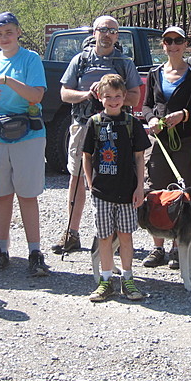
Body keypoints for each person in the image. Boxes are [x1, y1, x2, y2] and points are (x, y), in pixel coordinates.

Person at [53, 15, 142, 255]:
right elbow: (64, 94)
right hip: (83, 125)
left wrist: (110, 94)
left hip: (116, 130)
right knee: (78, 177)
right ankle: (71, 233)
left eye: (112, 31)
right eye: (103, 30)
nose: (107, 34)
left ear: (117, 35)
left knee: (112, 176)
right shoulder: (80, 61)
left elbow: (135, 97)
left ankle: (107, 235)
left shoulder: (124, 63)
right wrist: (86, 95)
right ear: (94, 33)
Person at [0, 12, 50, 276]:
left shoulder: (30, 59)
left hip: (28, 133)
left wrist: (6, 81)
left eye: (8, 32)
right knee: (0, 195)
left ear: (18, 32)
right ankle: (1, 250)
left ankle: (35, 252)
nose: (4, 38)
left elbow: (36, 95)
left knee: (27, 195)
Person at [141, 26, 191, 269]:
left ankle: (179, 247)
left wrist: (184, 115)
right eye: (168, 41)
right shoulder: (155, 73)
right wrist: (151, 120)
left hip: (186, 141)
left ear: (186, 44)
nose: (173, 45)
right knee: (157, 194)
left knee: (185, 194)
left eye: (178, 40)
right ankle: (157, 247)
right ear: (163, 45)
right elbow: (147, 105)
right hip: (160, 143)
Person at [83, 74, 151, 302]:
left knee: (125, 236)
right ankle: (105, 281)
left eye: (118, 96)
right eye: (108, 96)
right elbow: (87, 155)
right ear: (100, 97)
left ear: (125, 98)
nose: (113, 101)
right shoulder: (94, 123)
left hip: (127, 191)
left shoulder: (131, 124)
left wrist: (140, 187)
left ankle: (128, 279)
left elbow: (140, 157)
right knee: (104, 237)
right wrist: (89, 182)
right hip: (102, 191)